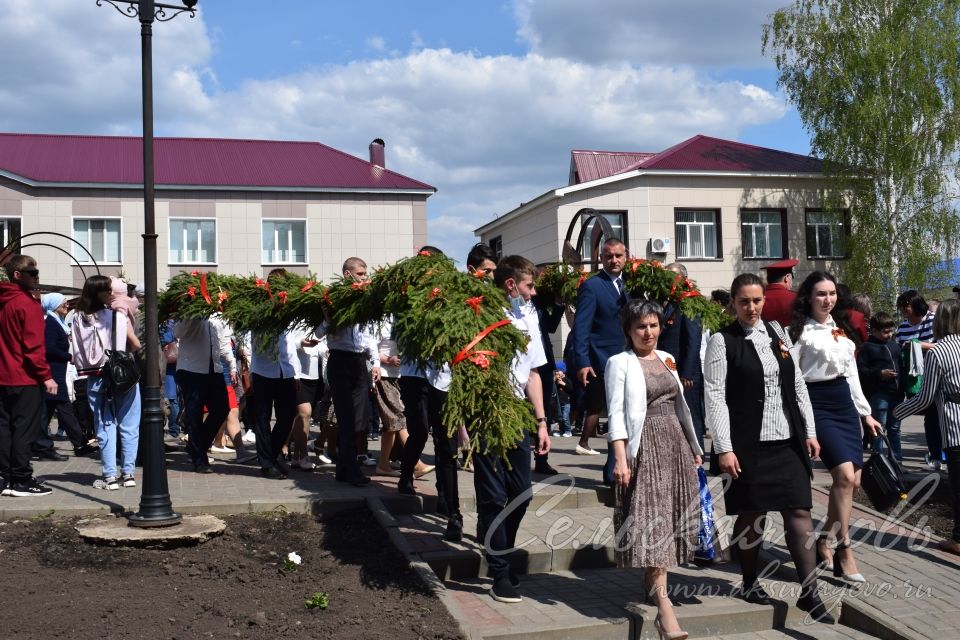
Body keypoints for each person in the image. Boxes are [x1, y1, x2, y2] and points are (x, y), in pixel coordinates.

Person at [704, 272, 832, 622]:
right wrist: (724, 447)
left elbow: (798, 385)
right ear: (733, 302)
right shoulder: (722, 341)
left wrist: (809, 429)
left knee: (800, 512)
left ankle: (810, 591)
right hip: (748, 443)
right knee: (752, 515)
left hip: (787, 439)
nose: (751, 307)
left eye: (757, 300)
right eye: (744, 301)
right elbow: (714, 397)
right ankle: (748, 580)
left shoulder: (777, 332)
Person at [607, 299, 703, 640]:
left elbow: (680, 405)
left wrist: (693, 446)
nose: (648, 333)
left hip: (674, 443)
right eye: (640, 327)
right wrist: (621, 458)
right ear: (628, 331)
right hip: (643, 445)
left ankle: (653, 582)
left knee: (669, 520)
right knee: (653, 522)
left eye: (653, 325)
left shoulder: (666, 358)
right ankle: (665, 611)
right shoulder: (619, 363)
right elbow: (616, 414)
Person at [789, 271, 880, 584]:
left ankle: (823, 540)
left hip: (844, 405)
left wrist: (865, 413)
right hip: (817, 404)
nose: (827, 299)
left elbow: (851, 374)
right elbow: (794, 379)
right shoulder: (799, 333)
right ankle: (845, 550)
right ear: (808, 298)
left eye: (831, 293)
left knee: (852, 483)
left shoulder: (840, 330)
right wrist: (804, 423)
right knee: (842, 475)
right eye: (820, 294)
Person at [477, 255, 550, 603]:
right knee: (493, 496)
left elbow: (533, 372)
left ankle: (497, 546)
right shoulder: (481, 313)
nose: (533, 293)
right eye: (529, 286)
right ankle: (500, 571)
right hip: (487, 412)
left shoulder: (528, 317)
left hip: (518, 413)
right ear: (510, 285)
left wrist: (541, 421)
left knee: (522, 493)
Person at [894, 299, 960, 555]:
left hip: (954, 425)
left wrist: (898, 412)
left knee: (958, 485)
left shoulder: (938, 352)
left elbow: (925, 397)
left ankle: (957, 538)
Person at [72, 274, 142, 491]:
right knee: (129, 425)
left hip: (95, 376)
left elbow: (76, 351)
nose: (112, 294)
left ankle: (110, 476)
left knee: (104, 426)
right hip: (122, 376)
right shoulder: (117, 315)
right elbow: (135, 345)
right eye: (107, 291)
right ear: (100, 293)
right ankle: (128, 473)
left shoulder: (77, 318)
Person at [316, 257, 378, 487]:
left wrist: (376, 363)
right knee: (346, 418)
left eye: (365, 273)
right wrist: (329, 318)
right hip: (339, 361)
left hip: (359, 363)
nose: (364, 278)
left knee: (361, 418)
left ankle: (345, 467)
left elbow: (368, 334)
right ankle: (349, 469)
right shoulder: (332, 299)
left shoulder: (363, 302)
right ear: (347, 274)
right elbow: (319, 332)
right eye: (360, 274)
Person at [573, 237, 628, 486]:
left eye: (618, 255)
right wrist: (583, 361)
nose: (614, 260)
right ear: (602, 258)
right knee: (615, 416)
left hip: (632, 359)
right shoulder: (593, 286)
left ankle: (627, 469)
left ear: (626, 256)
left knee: (630, 417)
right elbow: (581, 328)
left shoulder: (634, 284)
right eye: (609, 256)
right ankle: (612, 473)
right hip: (603, 361)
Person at [0, 255, 56, 497]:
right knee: (24, 430)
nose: (37, 277)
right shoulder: (26, 304)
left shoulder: (4, 300)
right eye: (32, 273)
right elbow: (33, 347)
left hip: (3, 375)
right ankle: (21, 479)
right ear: (17, 275)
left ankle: (5, 476)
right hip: (24, 377)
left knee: (4, 428)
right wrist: (46, 376)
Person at [174, 314, 237, 473]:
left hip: (214, 369)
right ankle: (199, 459)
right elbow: (178, 333)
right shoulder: (190, 312)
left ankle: (197, 445)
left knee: (222, 408)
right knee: (194, 413)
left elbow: (223, 342)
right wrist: (191, 316)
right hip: (191, 369)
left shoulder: (219, 315)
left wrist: (232, 365)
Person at [39, 293, 97, 459]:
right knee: (64, 408)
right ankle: (79, 444)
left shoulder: (57, 323)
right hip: (54, 373)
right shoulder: (51, 323)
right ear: (54, 305)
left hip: (57, 372)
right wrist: (69, 357)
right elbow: (49, 348)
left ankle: (40, 446)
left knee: (47, 412)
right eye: (63, 303)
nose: (66, 306)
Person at [661, 262, 705, 450]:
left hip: (685, 372)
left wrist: (686, 372)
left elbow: (693, 339)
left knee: (690, 415)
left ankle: (697, 456)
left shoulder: (689, 301)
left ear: (683, 279)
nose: (667, 280)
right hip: (669, 368)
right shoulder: (669, 301)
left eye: (671, 276)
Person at [896, 290, 940, 469]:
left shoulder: (934, 320)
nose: (904, 309)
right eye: (902, 305)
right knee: (930, 417)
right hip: (917, 380)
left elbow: (944, 345)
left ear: (916, 304)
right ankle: (935, 455)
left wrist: (919, 345)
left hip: (937, 374)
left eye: (907, 304)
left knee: (939, 417)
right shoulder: (902, 327)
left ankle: (941, 454)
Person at [857, 312, 904, 460]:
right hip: (879, 394)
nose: (889, 334)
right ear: (875, 331)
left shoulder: (895, 346)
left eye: (891, 331)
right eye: (885, 332)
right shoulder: (867, 347)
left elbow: (901, 366)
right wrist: (879, 373)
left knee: (895, 428)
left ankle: (896, 459)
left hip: (896, 394)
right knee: (879, 427)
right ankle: (879, 459)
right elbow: (861, 370)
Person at [759, 258, 798, 326]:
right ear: (787, 278)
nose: (792, 282)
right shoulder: (796, 298)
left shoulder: (757, 298)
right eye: (792, 278)